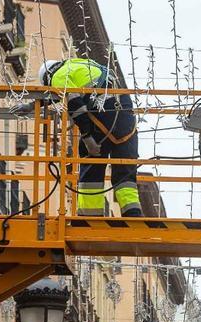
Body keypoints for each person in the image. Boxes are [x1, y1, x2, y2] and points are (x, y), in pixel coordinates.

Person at [32, 58, 143, 218]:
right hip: (125, 114)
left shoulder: (57, 76)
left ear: (47, 79)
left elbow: (74, 102)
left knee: (91, 165)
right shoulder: (82, 65)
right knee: (125, 169)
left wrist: (87, 136)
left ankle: (90, 216)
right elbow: (62, 95)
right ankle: (133, 213)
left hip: (103, 114)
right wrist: (34, 104)